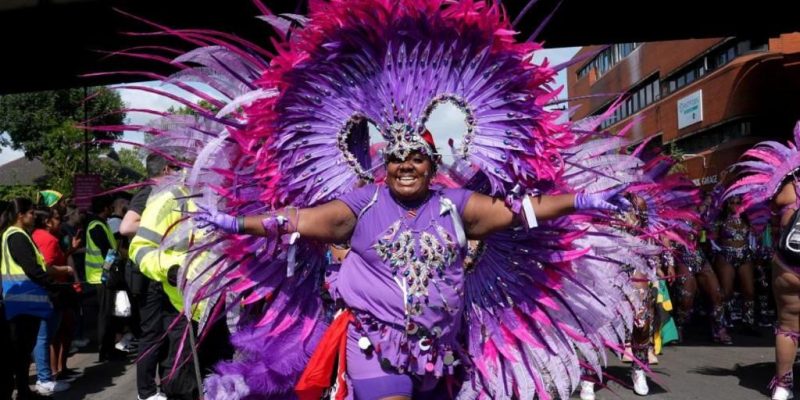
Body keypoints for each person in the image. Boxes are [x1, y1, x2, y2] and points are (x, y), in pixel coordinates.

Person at [130, 158, 233, 400]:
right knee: (183, 385)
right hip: (181, 309)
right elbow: (140, 248)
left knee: (220, 380)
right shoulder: (168, 199)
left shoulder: (220, 199)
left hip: (217, 306)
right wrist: (171, 269)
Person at [722, 122, 800, 400]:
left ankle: (782, 386)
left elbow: (765, 211)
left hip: (790, 264)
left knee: (788, 326)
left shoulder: (788, 186)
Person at [125, 153, 182, 400]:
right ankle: (146, 392)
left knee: (164, 332)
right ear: (168, 169)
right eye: (178, 168)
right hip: (148, 276)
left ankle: (161, 388)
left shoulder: (163, 193)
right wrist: (158, 223)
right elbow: (127, 226)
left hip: (157, 275)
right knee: (151, 333)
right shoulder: (152, 192)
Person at [1, 198, 69, 399]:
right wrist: (52, 284)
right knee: (21, 353)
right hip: (24, 302)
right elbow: (32, 268)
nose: (33, 216)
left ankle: (23, 390)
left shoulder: (13, 234)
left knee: (21, 352)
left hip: (18, 300)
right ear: (20, 215)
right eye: (30, 212)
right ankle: (22, 391)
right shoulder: (17, 236)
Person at [31, 207, 81, 393]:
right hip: (53, 293)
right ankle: (47, 376)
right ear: (47, 221)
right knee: (48, 336)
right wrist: (66, 270)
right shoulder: (47, 239)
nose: (61, 222)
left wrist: (70, 251)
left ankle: (53, 373)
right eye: (58, 218)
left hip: (52, 292)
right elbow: (48, 267)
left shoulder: (40, 236)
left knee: (53, 334)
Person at [84, 195, 122, 362]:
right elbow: (108, 252)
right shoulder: (96, 226)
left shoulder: (101, 224)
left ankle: (110, 348)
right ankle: (105, 350)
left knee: (110, 314)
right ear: (105, 208)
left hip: (103, 276)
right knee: (105, 315)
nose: (112, 210)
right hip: (101, 277)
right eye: (110, 207)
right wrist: (108, 273)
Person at [713, 196, 758, 333]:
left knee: (749, 291)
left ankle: (748, 323)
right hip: (726, 256)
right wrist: (719, 251)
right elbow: (712, 239)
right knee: (726, 292)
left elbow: (754, 235)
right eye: (731, 203)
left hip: (745, 255)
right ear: (726, 204)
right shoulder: (720, 220)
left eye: (738, 203)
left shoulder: (747, 219)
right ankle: (726, 322)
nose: (735, 205)